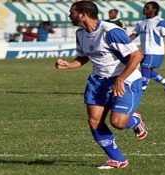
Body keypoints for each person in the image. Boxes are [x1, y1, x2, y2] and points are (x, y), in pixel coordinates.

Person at [55, 1, 147, 169]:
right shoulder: (80, 33)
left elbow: (137, 56)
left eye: (72, 12)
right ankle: (118, 159)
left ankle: (135, 120)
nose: (69, 15)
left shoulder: (111, 31)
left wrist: (120, 79)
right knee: (94, 121)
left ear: (83, 14)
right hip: (98, 81)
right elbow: (83, 57)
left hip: (126, 79)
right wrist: (68, 64)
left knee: (118, 123)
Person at [129, 1, 165, 95]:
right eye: (144, 7)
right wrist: (123, 41)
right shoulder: (141, 22)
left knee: (145, 70)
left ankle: (140, 92)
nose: (144, 9)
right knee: (148, 71)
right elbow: (134, 34)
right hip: (144, 51)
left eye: (147, 8)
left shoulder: (160, 21)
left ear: (154, 10)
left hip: (154, 51)